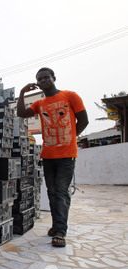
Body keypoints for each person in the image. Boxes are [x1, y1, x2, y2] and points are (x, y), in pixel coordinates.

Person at [17, 67, 89, 247]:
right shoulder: (40, 104)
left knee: (61, 192)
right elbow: (21, 113)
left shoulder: (70, 96)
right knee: (52, 192)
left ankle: (60, 231)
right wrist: (21, 93)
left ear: (53, 78)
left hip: (66, 154)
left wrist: (71, 138)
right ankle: (56, 225)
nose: (42, 81)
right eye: (39, 79)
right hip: (48, 155)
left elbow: (84, 120)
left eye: (45, 77)